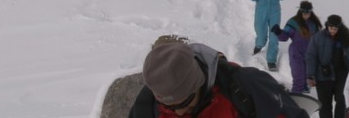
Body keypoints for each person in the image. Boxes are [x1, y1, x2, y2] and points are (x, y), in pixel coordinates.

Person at [127, 37, 309, 118]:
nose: (180, 112)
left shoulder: (243, 88)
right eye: (169, 106)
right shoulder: (146, 107)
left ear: (199, 82)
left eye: (185, 102)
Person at [305, 14, 349, 118]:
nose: (333, 30)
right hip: (323, 76)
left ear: (339, 27)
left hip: (341, 75)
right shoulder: (318, 38)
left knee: (342, 101)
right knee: (325, 105)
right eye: (331, 28)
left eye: (335, 28)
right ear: (327, 26)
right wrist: (310, 75)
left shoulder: (345, 38)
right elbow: (311, 56)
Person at [249, 0, 291, 71]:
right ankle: (259, 44)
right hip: (261, 11)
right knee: (261, 33)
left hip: (274, 12)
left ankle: (271, 61)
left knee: (274, 36)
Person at [273, 1, 322, 93]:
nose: (306, 15)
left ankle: (304, 88)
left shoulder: (313, 23)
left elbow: (318, 39)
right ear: (300, 11)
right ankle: (296, 94)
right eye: (304, 12)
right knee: (298, 75)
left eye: (308, 13)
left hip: (310, 54)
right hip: (296, 52)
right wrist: (278, 32)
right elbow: (284, 37)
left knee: (307, 74)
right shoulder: (293, 22)